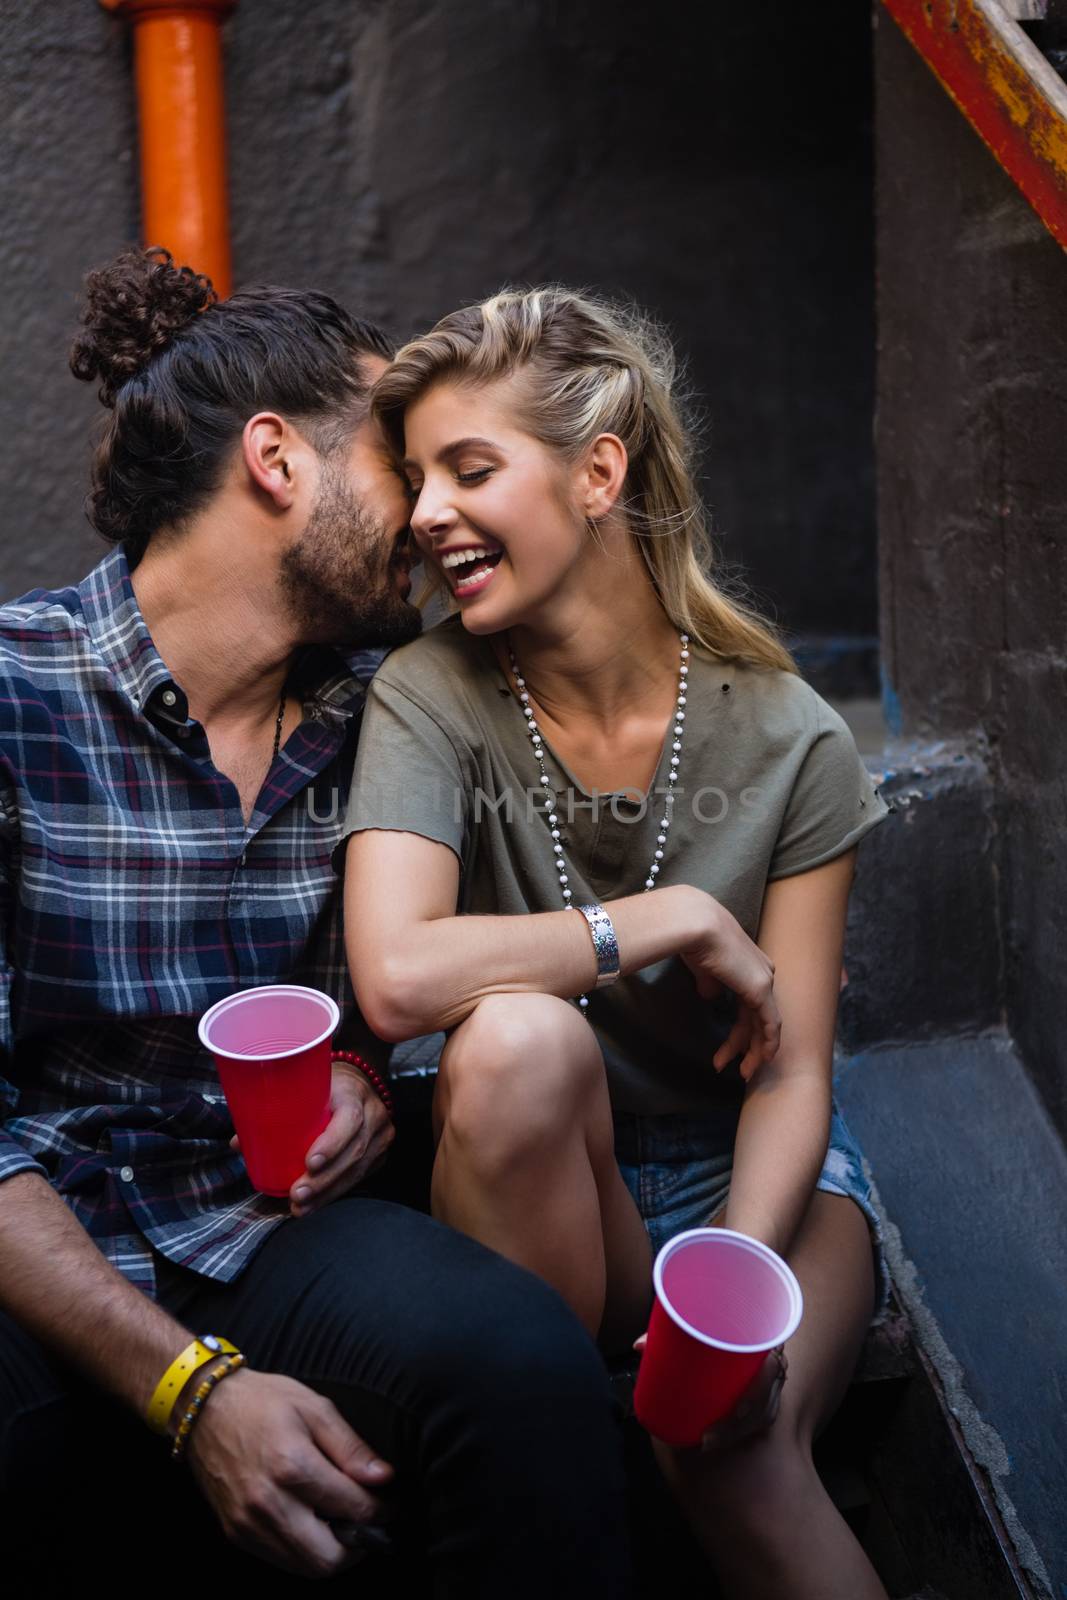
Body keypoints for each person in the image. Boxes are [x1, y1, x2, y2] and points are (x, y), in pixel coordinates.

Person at [0, 251, 635, 1597]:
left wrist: (362, 1085)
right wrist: (191, 1391)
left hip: (262, 1226)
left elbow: (418, 1000)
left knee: (521, 1372)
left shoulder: (382, 715)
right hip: (39, 1237)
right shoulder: (15, 698)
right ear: (279, 462)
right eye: (402, 469)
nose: (430, 516)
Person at [342, 286, 894, 1600]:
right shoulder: (433, 697)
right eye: (417, 476)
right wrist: (670, 917)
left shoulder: (793, 736)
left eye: (469, 468)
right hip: (542, 1161)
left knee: (730, 1452)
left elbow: (795, 1069)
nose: (425, 513)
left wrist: (736, 1275)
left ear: (599, 473)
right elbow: (399, 977)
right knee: (519, 1042)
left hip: (756, 1185)